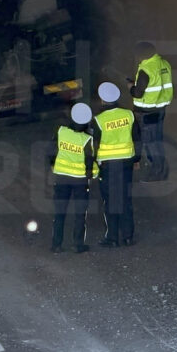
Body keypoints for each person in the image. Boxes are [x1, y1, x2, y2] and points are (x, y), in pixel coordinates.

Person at [92, 81, 141, 247]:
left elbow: (94, 145)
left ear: (103, 100)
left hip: (107, 166)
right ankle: (128, 236)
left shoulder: (98, 120)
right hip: (126, 163)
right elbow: (137, 139)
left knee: (110, 201)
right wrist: (137, 160)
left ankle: (112, 238)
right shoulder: (129, 115)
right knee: (125, 200)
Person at [49, 103, 97, 254]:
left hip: (62, 178)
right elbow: (89, 160)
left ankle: (56, 244)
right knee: (80, 213)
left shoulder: (61, 131)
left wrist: (53, 165)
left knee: (59, 212)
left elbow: (51, 151)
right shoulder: (87, 139)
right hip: (79, 181)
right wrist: (91, 173)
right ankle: (77, 244)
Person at [129, 41, 173, 181]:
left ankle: (158, 172)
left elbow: (138, 93)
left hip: (146, 112)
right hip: (160, 109)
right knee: (157, 140)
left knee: (151, 143)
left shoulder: (146, 70)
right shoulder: (164, 64)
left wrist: (130, 86)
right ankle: (159, 169)